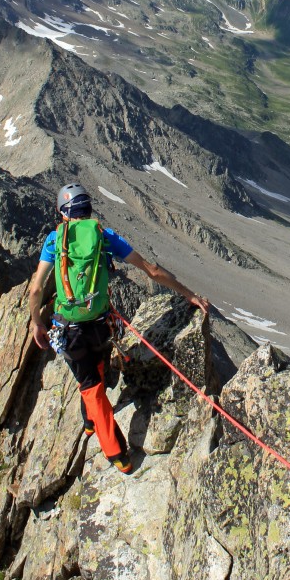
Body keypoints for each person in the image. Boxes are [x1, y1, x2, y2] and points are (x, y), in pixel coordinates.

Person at [29, 182, 208, 474]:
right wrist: (189, 294)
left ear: (63, 214)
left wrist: (38, 323)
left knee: (90, 386)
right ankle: (90, 421)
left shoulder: (53, 241)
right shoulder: (105, 237)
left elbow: (36, 289)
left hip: (69, 330)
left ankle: (117, 455)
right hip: (101, 325)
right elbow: (152, 271)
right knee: (95, 368)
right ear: (88, 210)